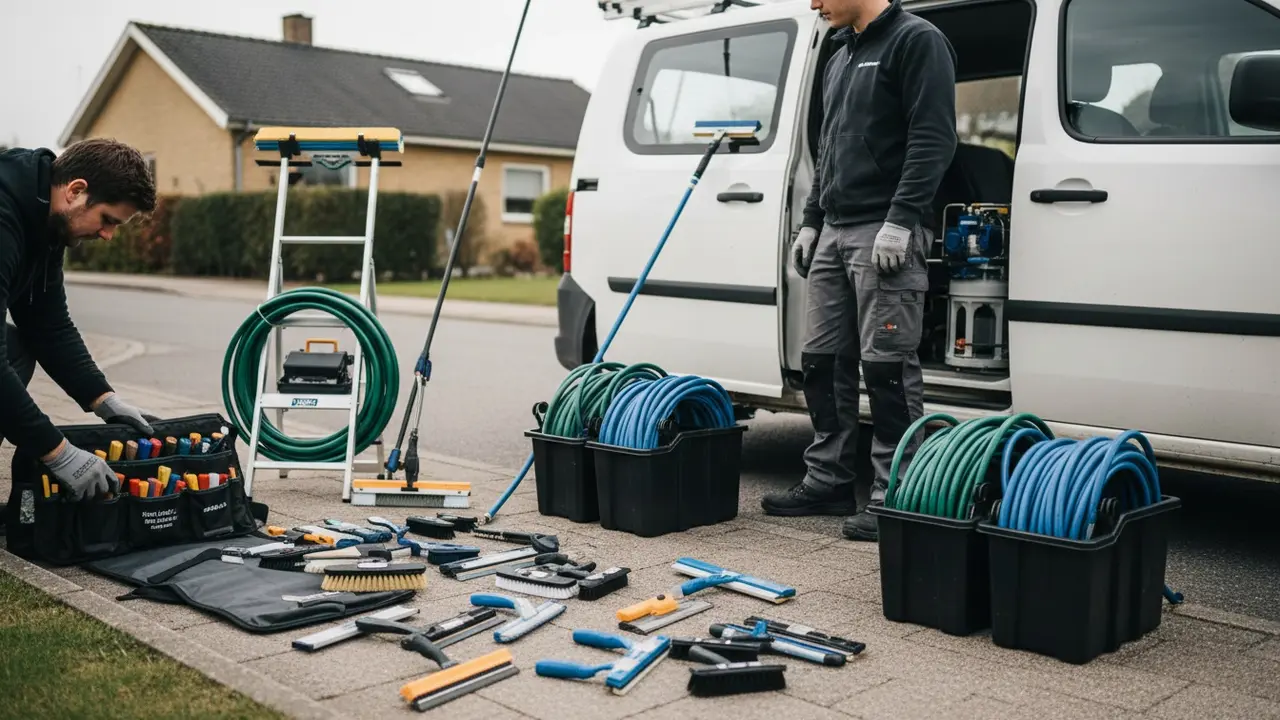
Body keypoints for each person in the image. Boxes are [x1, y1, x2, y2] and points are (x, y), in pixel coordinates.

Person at [761, 0, 957, 541]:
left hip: (885, 231)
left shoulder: (917, 41)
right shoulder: (839, 55)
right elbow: (827, 150)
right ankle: (827, 481)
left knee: (887, 367)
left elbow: (933, 138)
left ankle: (895, 495)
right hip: (835, 230)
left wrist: (902, 220)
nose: (814, 4)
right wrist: (810, 220)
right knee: (821, 361)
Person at [0, 138, 160, 503]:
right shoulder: (4, 216)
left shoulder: (47, 223)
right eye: (107, 220)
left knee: (16, 349)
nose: (108, 235)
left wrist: (102, 398)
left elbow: (48, 325)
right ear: (76, 190)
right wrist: (58, 452)